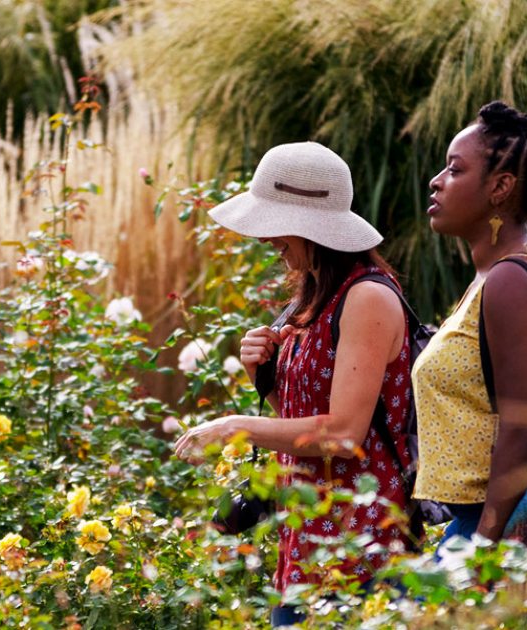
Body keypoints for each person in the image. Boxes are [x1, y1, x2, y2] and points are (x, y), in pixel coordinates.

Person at [172, 142, 414, 626]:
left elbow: (344, 435)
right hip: (309, 550)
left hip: (362, 555)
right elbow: (306, 428)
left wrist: (234, 426)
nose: (267, 241)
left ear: (310, 224)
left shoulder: (365, 297)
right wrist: (263, 375)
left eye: (274, 225)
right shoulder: (316, 297)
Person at [411, 101, 527, 545]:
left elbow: (523, 425)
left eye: (455, 170)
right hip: (487, 519)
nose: (437, 182)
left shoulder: (512, 279)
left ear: (500, 186)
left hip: (504, 524)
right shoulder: (496, 275)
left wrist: (482, 546)